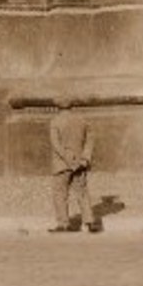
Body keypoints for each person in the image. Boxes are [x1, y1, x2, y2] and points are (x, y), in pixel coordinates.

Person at [48, 96, 101, 233]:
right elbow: (91, 140)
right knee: (82, 192)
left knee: (60, 193)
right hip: (80, 163)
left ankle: (63, 223)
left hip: (62, 164)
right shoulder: (82, 120)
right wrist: (85, 158)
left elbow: (56, 145)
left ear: (57, 107)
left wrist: (69, 160)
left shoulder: (55, 121)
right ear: (72, 106)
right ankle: (89, 222)